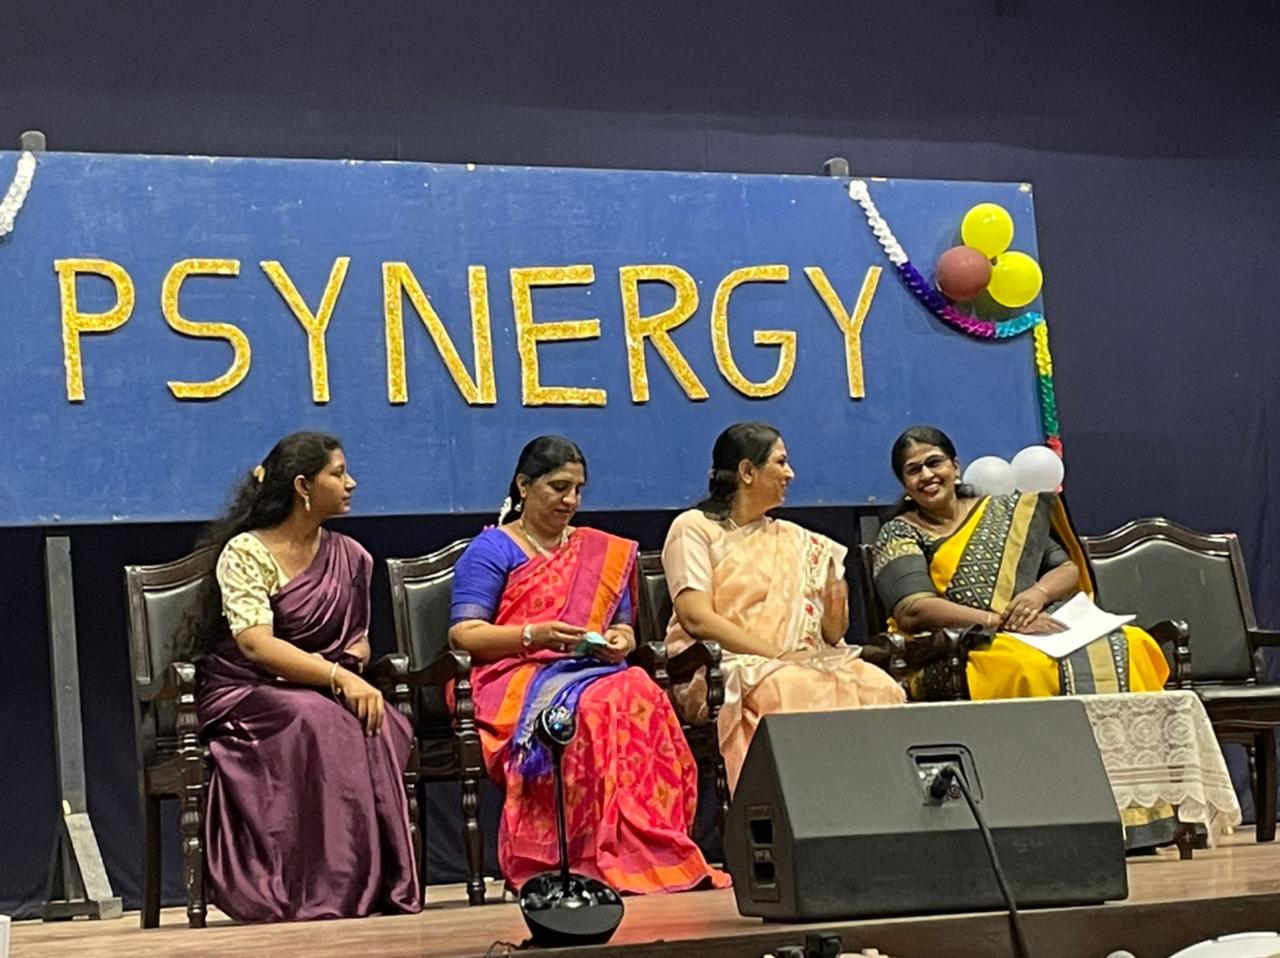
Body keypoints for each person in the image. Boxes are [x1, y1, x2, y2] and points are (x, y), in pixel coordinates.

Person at [448, 435, 728, 894]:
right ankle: (582, 855)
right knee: (596, 708)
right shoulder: (493, 549)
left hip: (594, 671)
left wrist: (621, 641)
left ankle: (649, 846)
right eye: (559, 487)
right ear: (523, 485)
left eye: (578, 489)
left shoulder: (600, 551)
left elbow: (622, 627)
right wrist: (533, 635)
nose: (571, 500)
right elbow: (464, 635)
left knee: (642, 692)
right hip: (515, 675)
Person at [182, 431, 420, 922]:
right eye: (338, 474)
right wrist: (338, 677)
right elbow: (255, 644)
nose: (351, 483)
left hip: (320, 686)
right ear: (302, 486)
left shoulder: (352, 556)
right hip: (248, 689)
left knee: (380, 725)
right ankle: (316, 886)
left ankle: (373, 881)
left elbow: (356, 636)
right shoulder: (247, 552)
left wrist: (352, 661)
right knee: (317, 718)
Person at [662, 422, 905, 793]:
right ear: (747, 471)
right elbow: (696, 617)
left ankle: (875, 804)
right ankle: (802, 807)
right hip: (717, 668)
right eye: (780, 462)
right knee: (790, 688)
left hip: (801, 661)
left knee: (877, 686)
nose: (790, 473)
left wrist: (834, 602)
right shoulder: (695, 528)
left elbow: (833, 635)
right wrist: (778, 656)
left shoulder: (797, 540)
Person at [872, 425, 1169, 701]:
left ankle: (1136, 740)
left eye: (934, 463)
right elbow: (914, 608)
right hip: (956, 645)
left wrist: (1037, 594)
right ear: (905, 484)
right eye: (914, 470)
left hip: (1029, 624)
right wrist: (998, 621)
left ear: (955, 466)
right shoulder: (900, 531)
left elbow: (1066, 569)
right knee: (1027, 665)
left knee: (1132, 643)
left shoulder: (1002, 511)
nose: (927, 475)